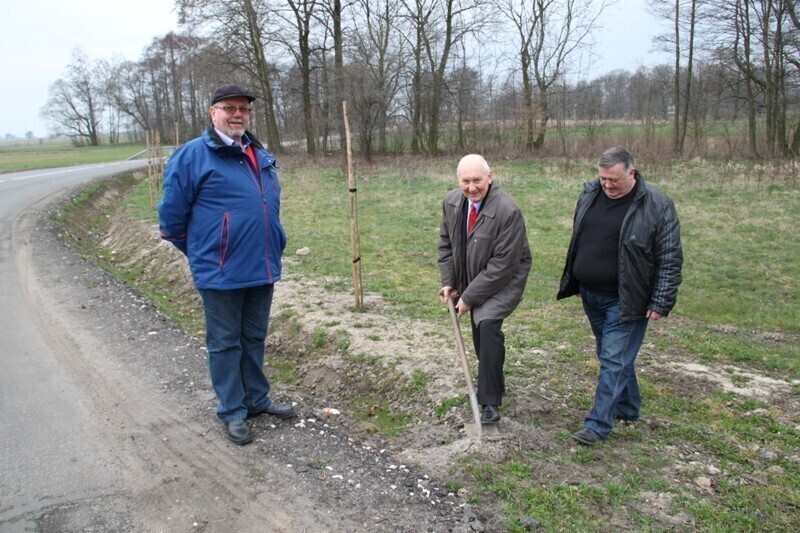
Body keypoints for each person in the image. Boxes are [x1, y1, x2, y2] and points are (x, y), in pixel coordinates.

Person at [158, 83, 295, 446]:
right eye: (229, 107)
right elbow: (171, 222)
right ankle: (232, 410)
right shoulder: (192, 156)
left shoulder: (256, 152)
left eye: (244, 109)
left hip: (261, 265)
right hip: (220, 271)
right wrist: (209, 252)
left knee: (253, 337)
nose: (237, 114)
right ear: (212, 112)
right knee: (224, 342)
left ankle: (256, 399)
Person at [557, 147, 683, 445]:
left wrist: (661, 299)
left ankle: (598, 424)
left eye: (614, 180)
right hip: (591, 295)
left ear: (632, 173)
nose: (608, 185)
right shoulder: (590, 193)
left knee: (613, 359)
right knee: (613, 355)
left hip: (627, 299)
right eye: (603, 179)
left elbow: (669, 256)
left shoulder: (657, 205)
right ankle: (628, 407)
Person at [438, 154, 532, 424]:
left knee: (487, 325)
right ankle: (495, 381)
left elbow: (503, 265)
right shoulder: (453, 203)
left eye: (477, 180)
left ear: (490, 177)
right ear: (458, 181)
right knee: (480, 333)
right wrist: (449, 281)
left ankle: (489, 402)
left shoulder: (507, 211)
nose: (471, 187)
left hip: (505, 278)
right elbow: (446, 245)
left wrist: (468, 297)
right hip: (471, 274)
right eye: (465, 181)